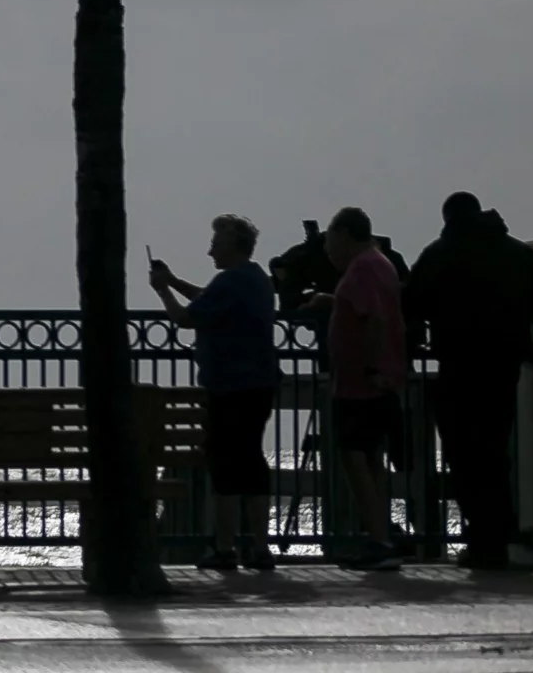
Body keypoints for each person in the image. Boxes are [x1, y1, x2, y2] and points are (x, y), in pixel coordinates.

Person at [404, 192, 533, 569]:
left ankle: (485, 538)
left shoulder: (441, 253)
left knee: (464, 456)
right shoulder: (515, 253)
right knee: (495, 453)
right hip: (503, 367)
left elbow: (412, 303)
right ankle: (500, 537)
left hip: (459, 366)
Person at [148, 214, 279, 571]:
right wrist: (174, 280)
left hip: (228, 386)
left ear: (233, 247)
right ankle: (260, 546)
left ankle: (224, 547)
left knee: (223, 465)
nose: (210, 251)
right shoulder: (256, 280)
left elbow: (186, 318)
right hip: (260, 382)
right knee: (252, 462)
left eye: (216, 244)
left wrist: (162, 291)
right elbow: (208, 298)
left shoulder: (229, 282)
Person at [301, 205, 408, 570]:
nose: (327, 249)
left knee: (354, 458)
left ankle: (379, 539)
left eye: (330, 240)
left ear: (345, 234)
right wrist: (334, 302)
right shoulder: (379, 263)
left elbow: (375, 320)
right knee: (370, 458)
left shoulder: (361, 269)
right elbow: (369, 310)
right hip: (373, 379)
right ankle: (381, 534)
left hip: (360, 383)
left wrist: (370, 366)